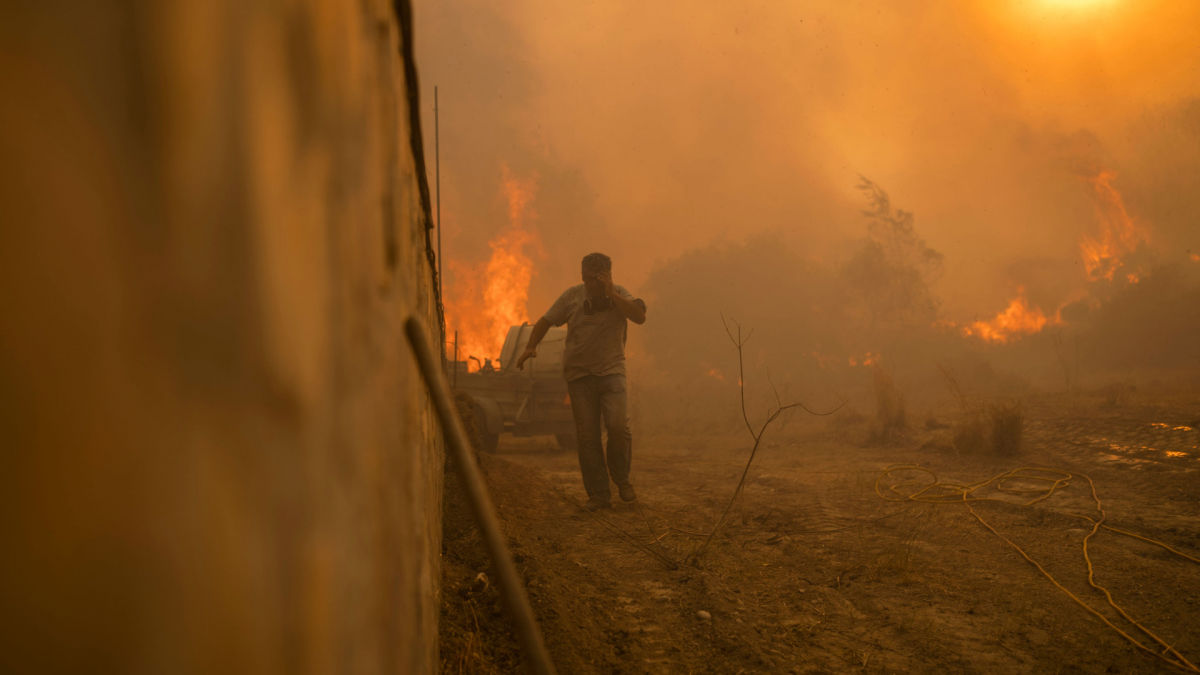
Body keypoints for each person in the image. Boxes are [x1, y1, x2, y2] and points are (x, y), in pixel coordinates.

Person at [515, 252, 647, 511]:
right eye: (586, 279)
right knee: (588, 437)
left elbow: (639, 316)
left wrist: (612, 294)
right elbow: (545, 320)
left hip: (612, 372)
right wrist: (531, 346)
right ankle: (599, 495)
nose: (590, 285)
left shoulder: (620, 295)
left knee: (618, 427)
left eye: (596, 280)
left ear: (607, 276)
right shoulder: (573, 296)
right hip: (579, 377)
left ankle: (621, 479)